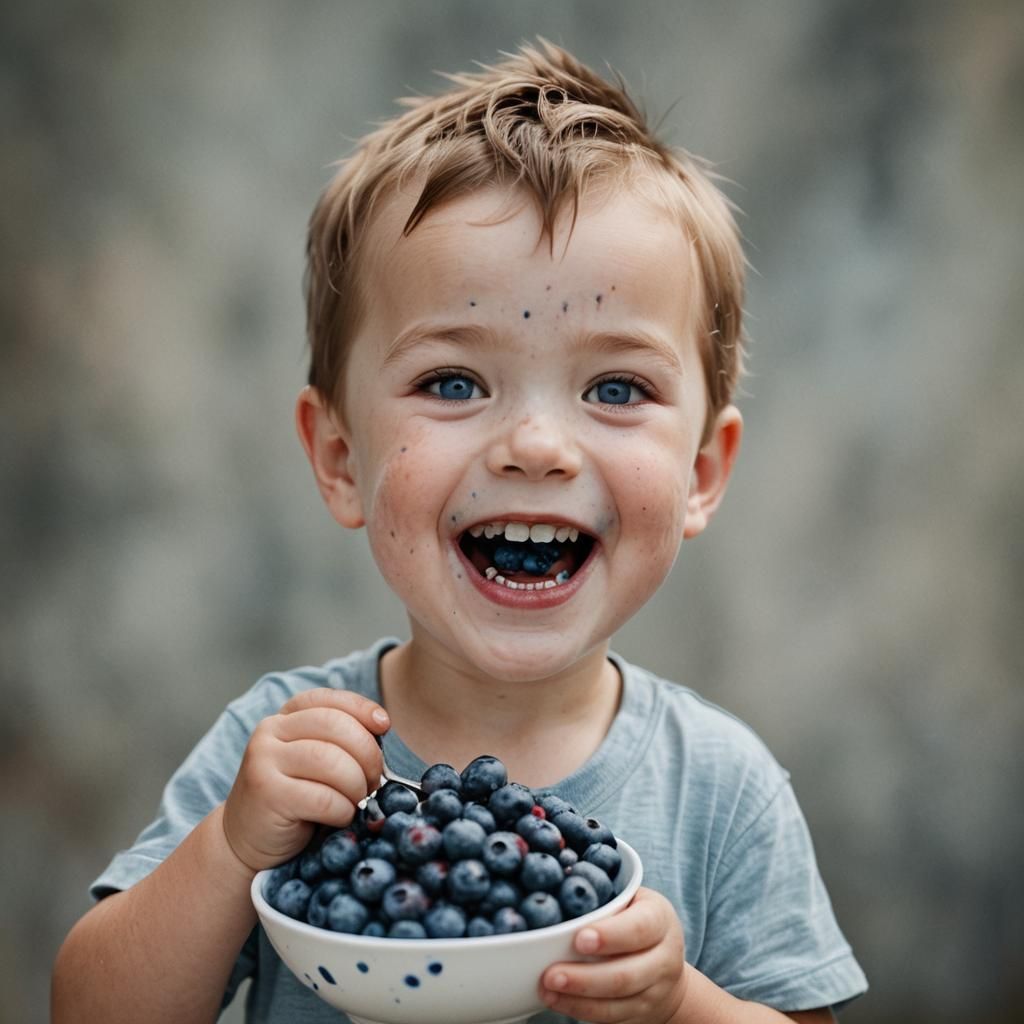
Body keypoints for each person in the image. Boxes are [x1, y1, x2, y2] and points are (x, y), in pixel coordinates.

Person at [52, 39, 867, 1024]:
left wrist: (678, 1003)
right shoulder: (280, 756)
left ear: (700, 474)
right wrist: (228, 848)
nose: (534, 445)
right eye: (452, 382)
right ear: (342, 457)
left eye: (615, 387)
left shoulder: (723, 792)